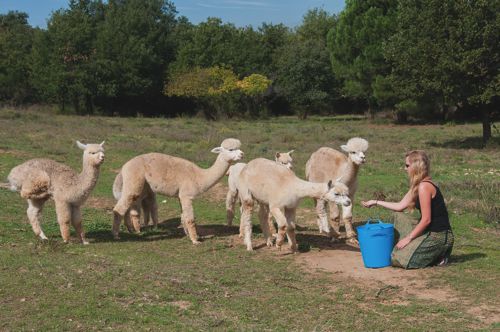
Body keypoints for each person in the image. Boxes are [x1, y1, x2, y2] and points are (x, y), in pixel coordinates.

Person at [361, 150, 454, 269]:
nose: (405, 169)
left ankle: (440, 254)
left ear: (416, 166)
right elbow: (400, 206)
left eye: (407, 165)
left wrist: (408, 238)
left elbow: (426, 220)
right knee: (398, 215)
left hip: (439, 236)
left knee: (399, 259)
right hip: (427, 232)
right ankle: (426, 251)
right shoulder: (417, 186)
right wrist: (375, 202)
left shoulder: (424, 186)